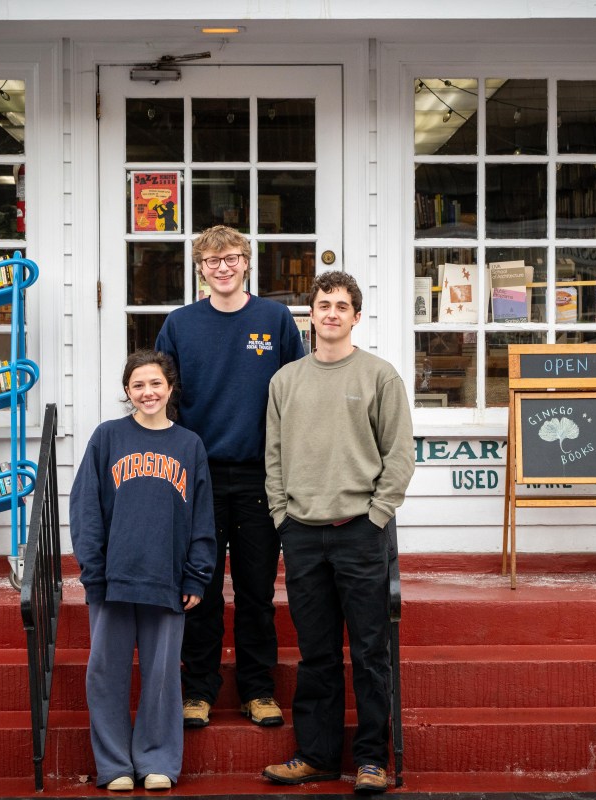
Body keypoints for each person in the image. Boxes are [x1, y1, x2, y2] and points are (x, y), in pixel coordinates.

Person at [261, 271, 415, 795]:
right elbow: (274, 457)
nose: (331, 313)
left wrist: (377, 516)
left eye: (341, 306)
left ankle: (372, 759)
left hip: (360, 532)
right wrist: (282, 517)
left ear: (356, 316)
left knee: (370, 650)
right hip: (302, 534)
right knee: (317, 652)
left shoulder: (379, 376)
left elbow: (399, 456)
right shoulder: (285, 381)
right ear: (311, 313)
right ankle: (317, 756)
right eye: (323, 304)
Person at [155, 225, 306, 729]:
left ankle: (257, 690)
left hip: (261, 476)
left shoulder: (275, 318)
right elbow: (162, 398)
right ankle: (197, 690)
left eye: (232, 258)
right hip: (196, 478)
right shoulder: (179, 324)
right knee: (201, 589)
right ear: (200, 269)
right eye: (212, 260)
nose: (223, 267)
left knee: (256, 590)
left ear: (247, 262)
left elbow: (299, 391)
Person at [69, 350, 217, 791]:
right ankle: (114, 764)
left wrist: (197, 574)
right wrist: (93, 570)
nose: (147, 392)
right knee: (106, 673)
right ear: (127, 391)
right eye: (138, 385)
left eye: (155, 384)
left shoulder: (189, 444)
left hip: (167, 579)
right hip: (113, 579)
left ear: (170, 389)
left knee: (162, 676)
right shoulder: (107, 437)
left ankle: (157, 760)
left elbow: (203, 517)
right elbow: (86, 509)